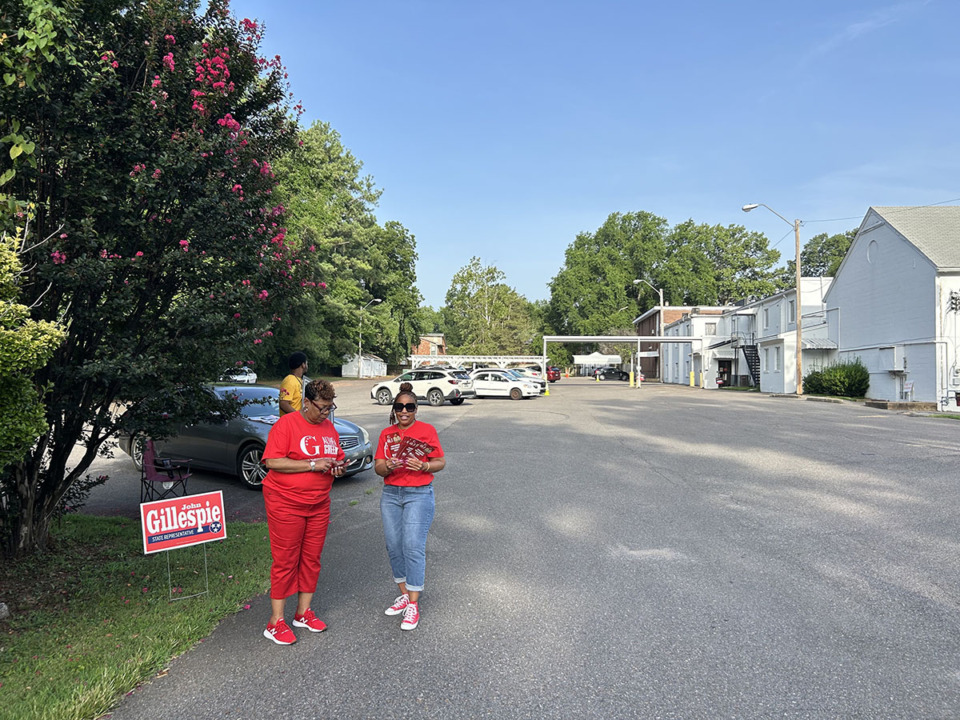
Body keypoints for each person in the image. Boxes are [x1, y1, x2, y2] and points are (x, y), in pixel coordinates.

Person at [261, 378, 346, 645]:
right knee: (286, 560)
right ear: (306, 402)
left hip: (318, 503)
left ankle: (303, 613)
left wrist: (338, 467)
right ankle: (275, 622)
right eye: (321, 407)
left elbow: (337, 456)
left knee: (312, 558)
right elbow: (272, 461)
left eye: (329, 408)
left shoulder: (329, 427)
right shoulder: (286, 425)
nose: (325, 413)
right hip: (286, 502)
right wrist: (312, 464)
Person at [374, 382, 446, 631]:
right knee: (394, 546)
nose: (404, 411)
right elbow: (378, 468)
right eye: (399, 407)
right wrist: (389, 466)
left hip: (419, 493)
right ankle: (404, 594)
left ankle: (413, 604)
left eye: (410, 407)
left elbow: (440, 461)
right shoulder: (386, 434)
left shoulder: (427, 430)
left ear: (416, 409)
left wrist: (425, 466)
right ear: (393, 409)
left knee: (413, 546)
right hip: (391, 493)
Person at [279, 351, 308, 415]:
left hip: (298, 422)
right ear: (303, 365)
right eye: (306, 363)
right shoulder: (289, 380)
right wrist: (298, 416)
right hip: (290, 423)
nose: (307, 365)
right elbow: (283, 404)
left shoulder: (299, 380)